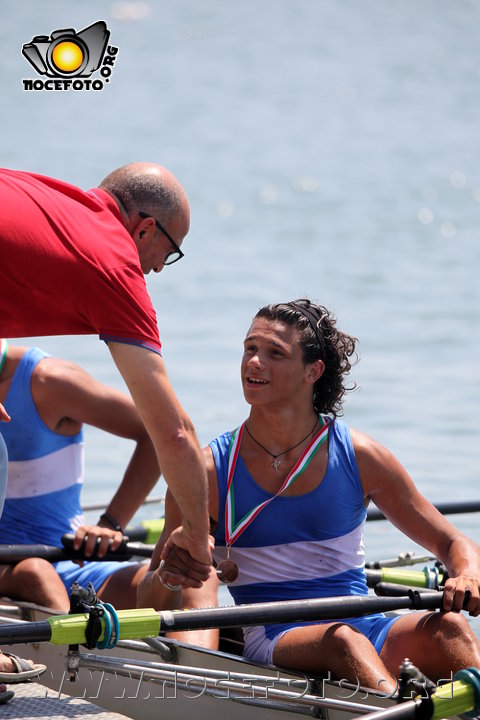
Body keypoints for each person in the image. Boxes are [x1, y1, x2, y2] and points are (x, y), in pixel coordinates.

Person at [147, 299, 480, 694]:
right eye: (250, 349)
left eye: (274, 353)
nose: (254, 362)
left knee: (450, 628)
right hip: (275, 634)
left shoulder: (360, 456)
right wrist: (169, 576)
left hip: (362, 620)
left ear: (313, 371)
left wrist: (467, 574)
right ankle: (397, 704)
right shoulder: (209, 472)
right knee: (342, 642)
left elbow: (453, 541)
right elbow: (149, 597)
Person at [0, 163, 210, 567]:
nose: (161, 268)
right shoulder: (114, 265)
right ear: (144, 229)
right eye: (170, 251)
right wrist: (198, 539)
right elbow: (174, 433)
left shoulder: (47, 194)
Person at [0, 341, 218, 649]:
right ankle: (76, 659)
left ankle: (198, 681)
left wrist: (111, 523)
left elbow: (156, 434)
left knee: (195, 576)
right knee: (36, 573)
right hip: (15, 569)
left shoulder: (50, 380)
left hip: (69, 557)